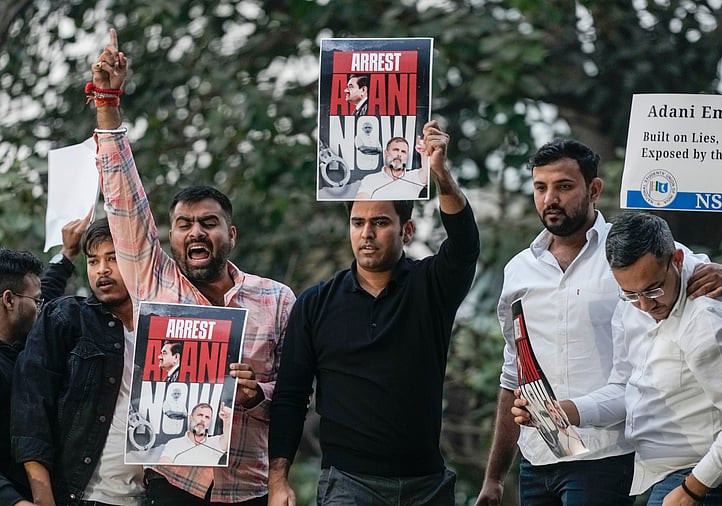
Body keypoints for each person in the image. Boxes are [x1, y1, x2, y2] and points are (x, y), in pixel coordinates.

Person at [476, 139, 722, 506]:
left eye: (564, 186)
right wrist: (494, 477)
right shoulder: (518, 271)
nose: (550, 198)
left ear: (594, 189)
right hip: (537, 456)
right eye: (541, 187)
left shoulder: (625, 253)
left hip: (607, 455)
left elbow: (685, 266)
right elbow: (513, 373)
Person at [90, 29, 296, 505]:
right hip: (172, 485)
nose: (196, 232)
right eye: (184, 224)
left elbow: (296, 391)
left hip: (249, 488)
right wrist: (107, 103)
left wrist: (257, 395)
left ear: (232, 234)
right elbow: (124, 200)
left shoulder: (276, 298)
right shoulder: (152, 281)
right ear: (171, 235)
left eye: (209, 223)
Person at [268, 120, 479, 505]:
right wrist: (278, 479)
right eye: (358, 222)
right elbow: (291, 396)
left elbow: (465, 247)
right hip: (349, 484)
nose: (366, 233)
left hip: (426, 483)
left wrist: (441, 176)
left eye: (380, 222)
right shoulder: (315, 303)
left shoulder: (431, 287)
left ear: (406, 229)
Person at [515, 213, 722, 505]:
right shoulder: (633, 304)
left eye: (653, 289)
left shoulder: (707, 322)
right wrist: (565, 411)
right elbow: (625, 388)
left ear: (678, 260)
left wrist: (692, 490)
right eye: (631, 294)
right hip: (657, 472)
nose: (645, 305)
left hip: (708, 476)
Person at [13, 218, 146, 506]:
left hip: (151, 497)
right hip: (83, 496)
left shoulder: (170, 327)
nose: (102, 270)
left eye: (113, 258)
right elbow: (31, 407)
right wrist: (43, 496)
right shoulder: (67, 318)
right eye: (93, 260)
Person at [0, 249, 44, 506]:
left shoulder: (20, 353)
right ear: (9, 300)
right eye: (37, 301)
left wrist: (67, 257)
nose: (40, 308)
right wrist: (15, 501)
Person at [355, 137, 427, 200]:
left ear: (407, 156)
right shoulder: (370, 179)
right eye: (396, 150)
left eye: (403, 152)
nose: (399, 154)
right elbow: (361, 201)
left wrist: (424, 154)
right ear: (386, 153)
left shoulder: (414, 177)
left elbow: (427, 173)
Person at [160, 403, 232, 466]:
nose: (203, 419)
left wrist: (227, 420)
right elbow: (164, 466)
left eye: (207, 417)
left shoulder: (215, 443)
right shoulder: (173, 444)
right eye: (200, 415)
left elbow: (228, 439)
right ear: (191, 418)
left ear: (210, 422)